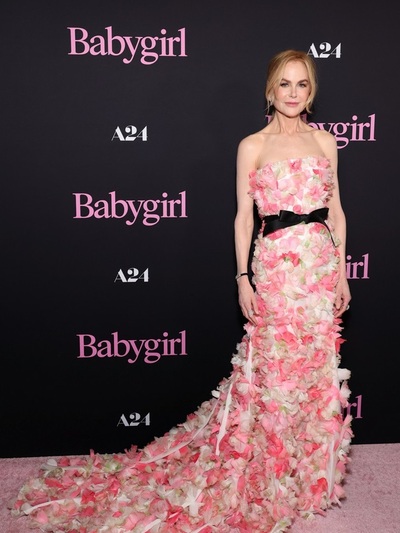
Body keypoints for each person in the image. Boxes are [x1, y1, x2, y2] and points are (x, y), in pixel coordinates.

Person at [11, 49, 352, 533]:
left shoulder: (325, 142)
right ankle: (268, 475)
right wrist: (243, 278)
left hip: (318, 268)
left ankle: (308, 477)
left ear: (311, 91)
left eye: (302, 84)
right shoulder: (251, 146)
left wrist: (341, 273)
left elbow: (336, 211)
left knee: (315, 372)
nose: (293, 93)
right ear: (270, 90)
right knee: (275, 376)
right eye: (284, 83)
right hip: (276, 270)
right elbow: (243, 219)